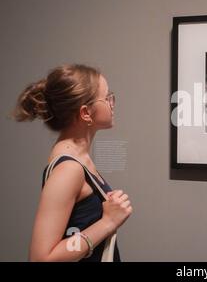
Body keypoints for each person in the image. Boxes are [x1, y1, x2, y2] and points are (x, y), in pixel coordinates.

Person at [13, 64, 132, 261]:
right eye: (107, 97)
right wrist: (108, 222)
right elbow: (41, 258)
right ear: (86, 113)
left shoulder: (80, 159)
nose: (113, 103)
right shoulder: (69, 169)